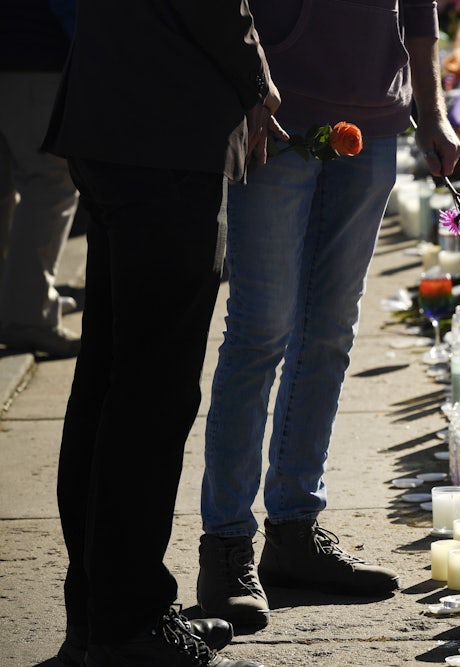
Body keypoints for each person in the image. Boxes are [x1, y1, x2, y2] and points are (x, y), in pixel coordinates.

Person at [196, 0, 460, 628]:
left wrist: (433, 113)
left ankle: (293, 532)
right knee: (259, 334)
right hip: (276, 115)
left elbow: (419, 14)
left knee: (329, 336)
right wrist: (252, 89)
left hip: (372, 123)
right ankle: (226, 546)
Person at [44, 0, 284, 664]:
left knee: (110, 382)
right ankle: (130, 619)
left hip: (117, 116)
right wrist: (258, 80)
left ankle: (101, 612)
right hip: (163, 127)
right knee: (149, 391)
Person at [0, 0, 82, 359]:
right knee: (51, 183)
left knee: (11, 186)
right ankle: (28, 313)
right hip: (38, 57)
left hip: (15, 50)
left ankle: (18, 300)